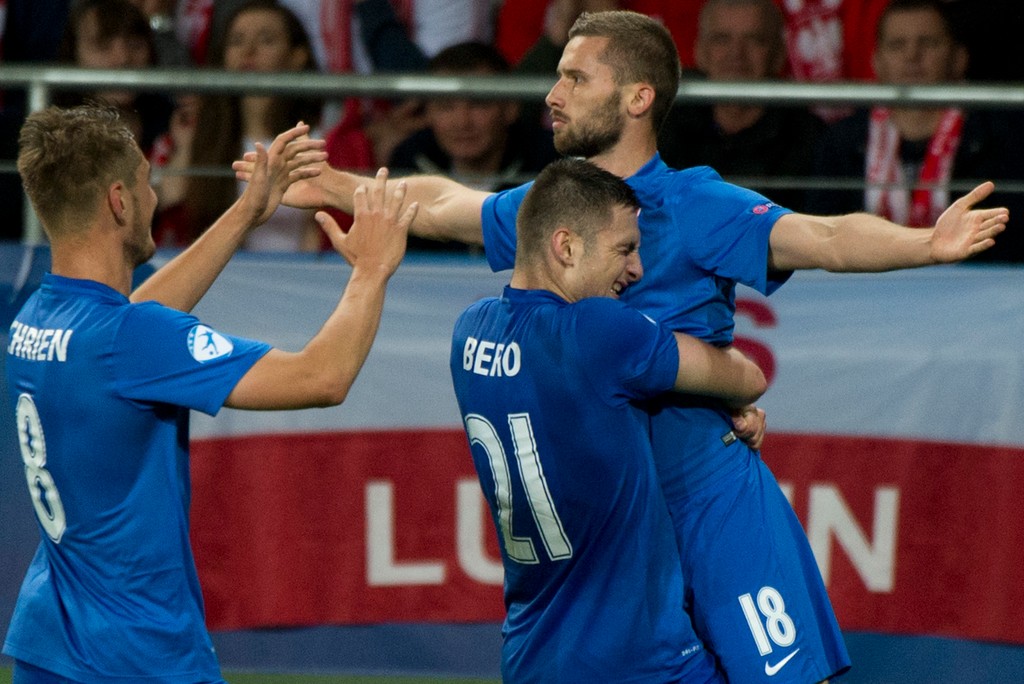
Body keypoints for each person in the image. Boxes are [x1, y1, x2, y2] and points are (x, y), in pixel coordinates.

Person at [237, 10, 1008, 682]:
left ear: (638, 97)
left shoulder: (698, 203)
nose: (552, 93)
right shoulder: (558, 209)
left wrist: (926, 242)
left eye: (575, 78)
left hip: (708, 502)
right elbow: (443, 204)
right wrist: (335, 186)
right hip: (617, 535)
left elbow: (826, 237)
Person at [3, 104, 414, 682]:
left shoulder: (35, 321)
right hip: (139, 657)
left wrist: (245, 214)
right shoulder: (130, 340)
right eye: (146, 182)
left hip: (49, 647)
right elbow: (321, 377)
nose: (154, 196)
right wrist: (371, 269)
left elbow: (132, 321)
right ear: (119, 201)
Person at [451, 157, 767, 682]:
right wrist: (723, 402)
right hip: (639, 662)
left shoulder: (470, 331)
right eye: (625, 248)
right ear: (566, 246)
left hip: (531, 657)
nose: (637, 269)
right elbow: (747, 378)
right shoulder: (599, 332)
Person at [805, 0, 1024, 262]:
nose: (912, 55)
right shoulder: (841, 142)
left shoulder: (1004, 138)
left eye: (928, 43)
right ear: (876, 61)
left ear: (959, 58)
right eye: (897, 45)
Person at [152, 0, 339, 251]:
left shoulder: (326, 139)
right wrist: (185, 149)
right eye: (236, 41)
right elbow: (167, 203)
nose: (248, 51)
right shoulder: (195, 136)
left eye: (266, 40)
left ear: (297, 56)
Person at [657, 0, 826, 211]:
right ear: (699, 51)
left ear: (779, 54)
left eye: (754, 40)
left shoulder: (810, 139)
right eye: (721, 39)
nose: (736, 53)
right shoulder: (663, 125)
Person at [388, 41, 557, 193]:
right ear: (428, 112)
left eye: (479, 104)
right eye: (446, 106)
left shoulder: (552, 164)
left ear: (510, 109)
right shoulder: (409, 161)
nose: (462, 122)